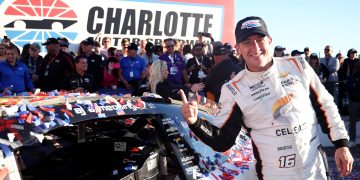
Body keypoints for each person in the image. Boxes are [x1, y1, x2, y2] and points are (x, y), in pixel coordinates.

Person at [181, 16, 353, 179]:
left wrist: (341, 143)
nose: (255, 48)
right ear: (238, 49)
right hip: (274, 175)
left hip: (315, 171)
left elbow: (326, 106)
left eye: (259, 40)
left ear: (270, 41)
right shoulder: (234, 89)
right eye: (247, 42)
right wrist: (195, 122)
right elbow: (222, 140)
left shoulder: (298, 65)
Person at [345, 60, 360, 147]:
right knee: (352, 121)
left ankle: (353, 140)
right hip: (353, 101)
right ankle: (352, 140)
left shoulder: (352, 77)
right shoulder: (352, 77)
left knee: (352, 122)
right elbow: (347, 88)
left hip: (354, 101)